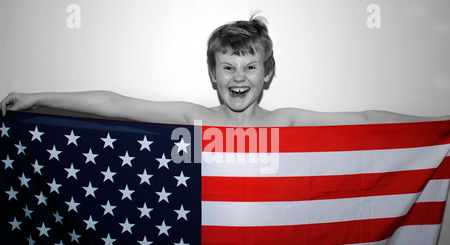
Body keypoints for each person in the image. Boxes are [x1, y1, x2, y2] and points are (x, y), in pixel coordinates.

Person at [1, 16, 448, 126]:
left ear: (267, 74)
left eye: (251, 66)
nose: (239, 77)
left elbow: (366, 122)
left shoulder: (284, 122)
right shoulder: (195, 119)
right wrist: (38, 97)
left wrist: (440, 129)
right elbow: (115, 104)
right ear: (213, 74)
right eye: (228, 66)